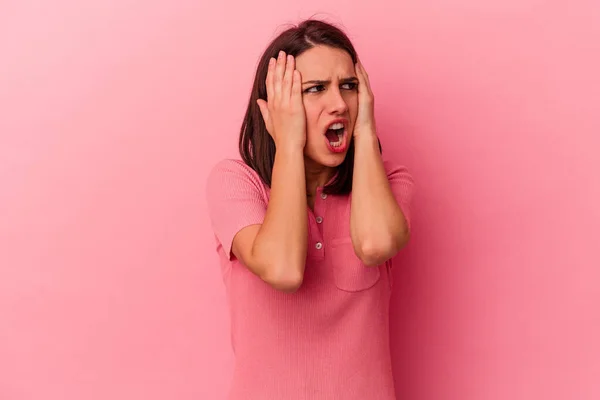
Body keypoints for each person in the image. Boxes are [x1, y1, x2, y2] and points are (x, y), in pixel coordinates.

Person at [206, 18, 414, 400]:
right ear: (277, 107)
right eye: (315, 89)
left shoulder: (392, 183)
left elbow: (375, 244)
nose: (338, 104)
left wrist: (365, 130)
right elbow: (283, 269)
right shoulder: (236, 183)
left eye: (348, 86)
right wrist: (287, 144)